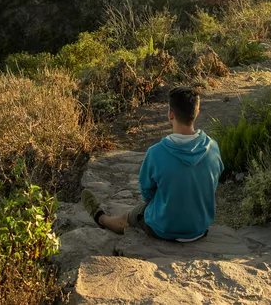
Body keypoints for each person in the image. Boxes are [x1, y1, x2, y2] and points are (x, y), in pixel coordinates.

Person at [82, 86, 223, 241]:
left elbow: (147, 194)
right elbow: (212, 184)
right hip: (199, 228)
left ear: (170, 114)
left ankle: (101, 218)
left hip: (164, 229)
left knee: (129, 216)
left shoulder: (156, 152)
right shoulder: (213, 147)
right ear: (197, 112)